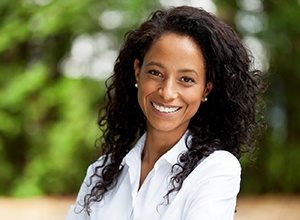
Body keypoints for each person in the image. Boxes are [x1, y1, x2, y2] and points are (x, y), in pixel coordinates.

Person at [66, 5, 264, 220]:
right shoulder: (102, 173)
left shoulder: (215, 170)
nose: (167, 92)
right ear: (137, 72)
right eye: (155, 73)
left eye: (186, 79)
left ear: (206, 88)